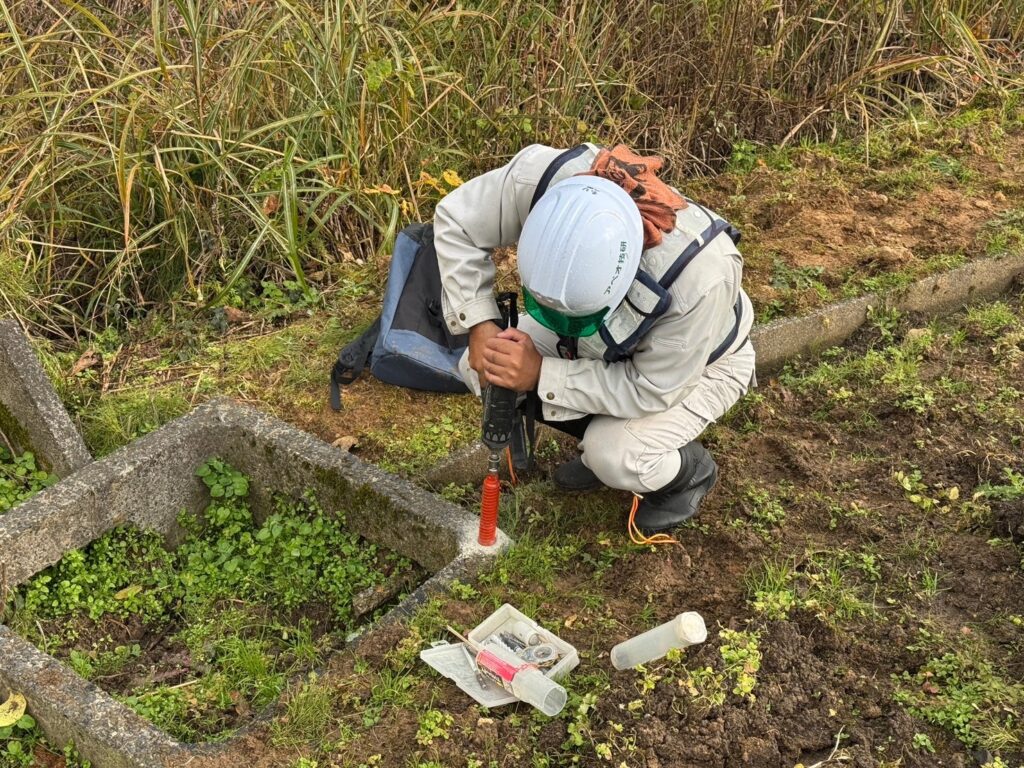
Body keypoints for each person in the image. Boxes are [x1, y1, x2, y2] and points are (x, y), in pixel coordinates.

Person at [433, 143, 755, 534]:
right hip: (608, 343)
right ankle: (596, 439)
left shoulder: (701, 279)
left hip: (699, 366)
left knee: (616, 454)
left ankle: (686, 473)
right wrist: (481, 324)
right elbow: (457, 222)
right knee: (485, 365)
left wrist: (541, 374)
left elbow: (651, 388)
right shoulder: (537, 180)